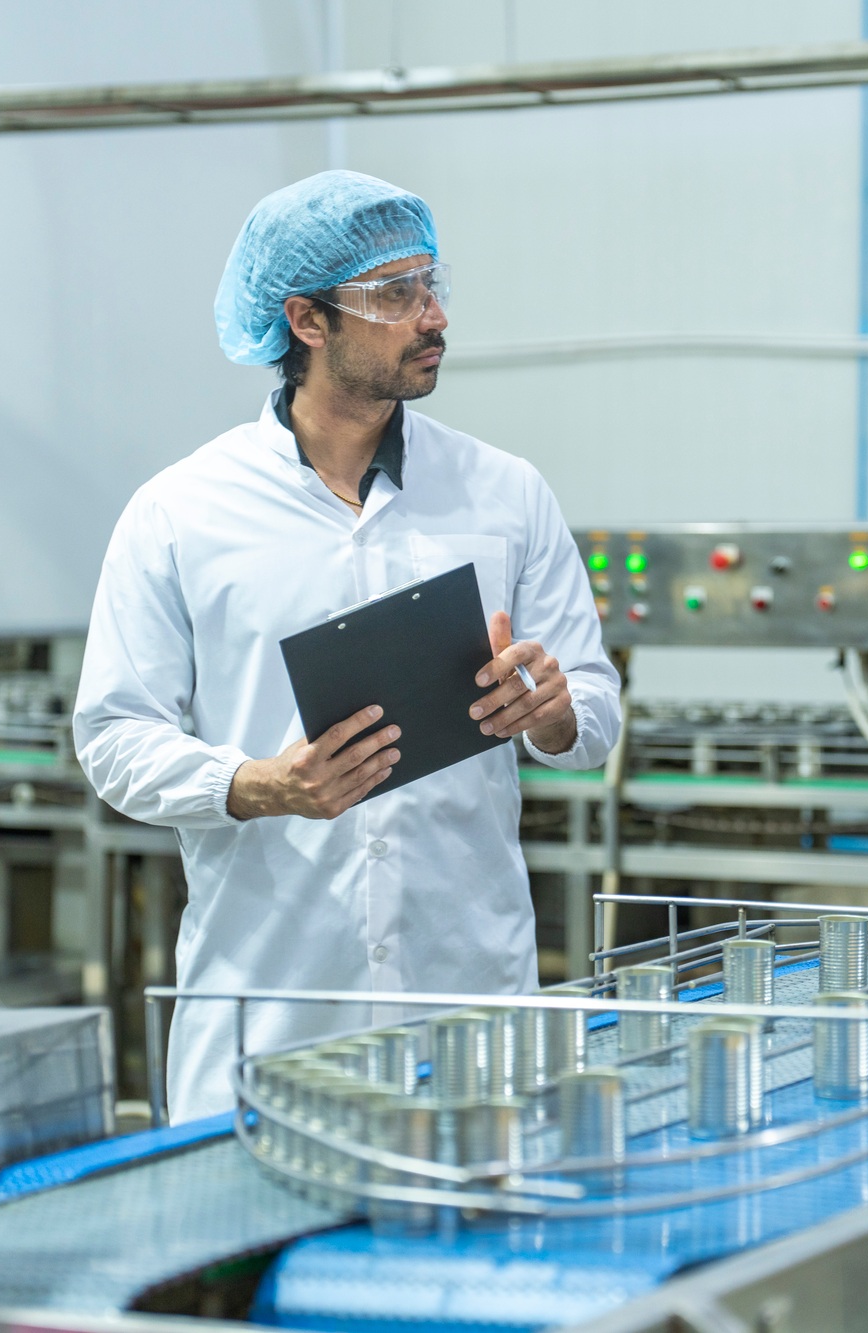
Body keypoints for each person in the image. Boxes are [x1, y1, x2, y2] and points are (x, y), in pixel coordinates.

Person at [73, 170, 621, 1121]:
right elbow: (114, 736)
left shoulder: (504, 491)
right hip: (270, 1018)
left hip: (467, 1016)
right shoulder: (181, 513)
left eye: (431, 285)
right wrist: (256, 784)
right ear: (307, 320)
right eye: (395, 294)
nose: (433, 316)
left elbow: (597, 708)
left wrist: (556, 710)